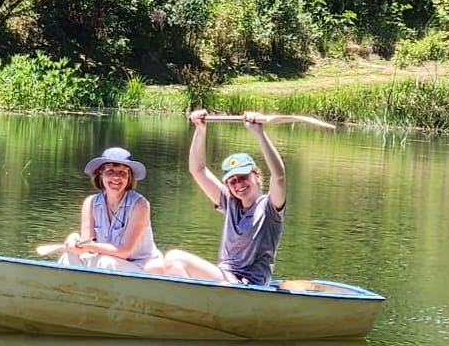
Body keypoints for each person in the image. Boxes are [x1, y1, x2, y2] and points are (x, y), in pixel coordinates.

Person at [146, 109, 286, 285]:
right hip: (225, 277)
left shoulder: (270, 208)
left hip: (248, 283)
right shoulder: (230, 202)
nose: (239, 184)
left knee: (174, 258)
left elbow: (279, 175)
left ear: (256, 176)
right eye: (232, 181)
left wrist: (259, 133)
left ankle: (189, 301)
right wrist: (200, 129)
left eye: (243, 177)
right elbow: (197, 170)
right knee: (153, 268)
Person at [58, 147, 162, 272]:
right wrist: (75, 240)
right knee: (69, 257)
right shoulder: (90, 203)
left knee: (106, 262)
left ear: (129, 177)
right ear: (100, 174)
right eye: (110, 171)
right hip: (103, 260)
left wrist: (89, 246)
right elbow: (87, 247)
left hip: (139, 267)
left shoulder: (140, 205)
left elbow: (124, 252)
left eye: (122, 173)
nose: (116, 177)